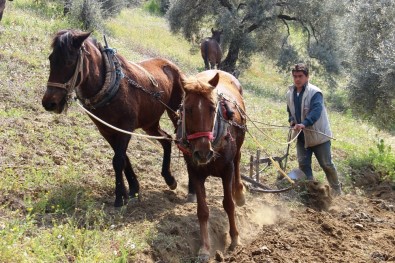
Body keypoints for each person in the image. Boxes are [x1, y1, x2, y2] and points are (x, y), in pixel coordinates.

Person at [286, 63, 342, 195]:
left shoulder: (315, 93)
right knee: (304, 166)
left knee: (327, 164)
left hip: (319, 137)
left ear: (307, 77)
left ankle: (337, 191)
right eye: (295, 76)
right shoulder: (289, 93)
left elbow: (316, 111)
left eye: (300, 76)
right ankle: (312, 191)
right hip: (301, 137)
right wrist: (292, 121)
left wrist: (304, 123)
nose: (297, 79)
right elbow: (290, 111)